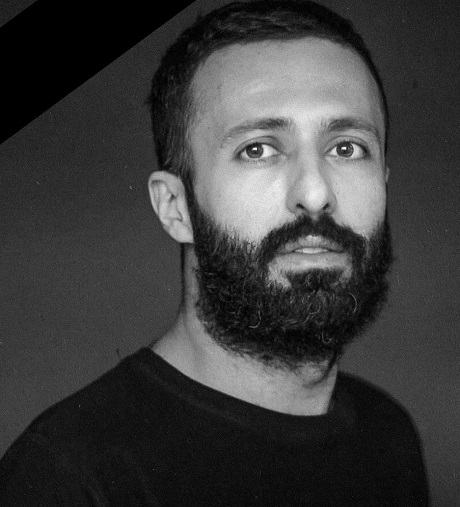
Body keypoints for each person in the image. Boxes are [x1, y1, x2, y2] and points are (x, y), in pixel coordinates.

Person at [0, 0, 430, 505]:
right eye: (258, 149)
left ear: (384, 180)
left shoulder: (387, 435)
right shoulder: (69, 477)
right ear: (175, 207)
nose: (315, 194)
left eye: (346, 147)